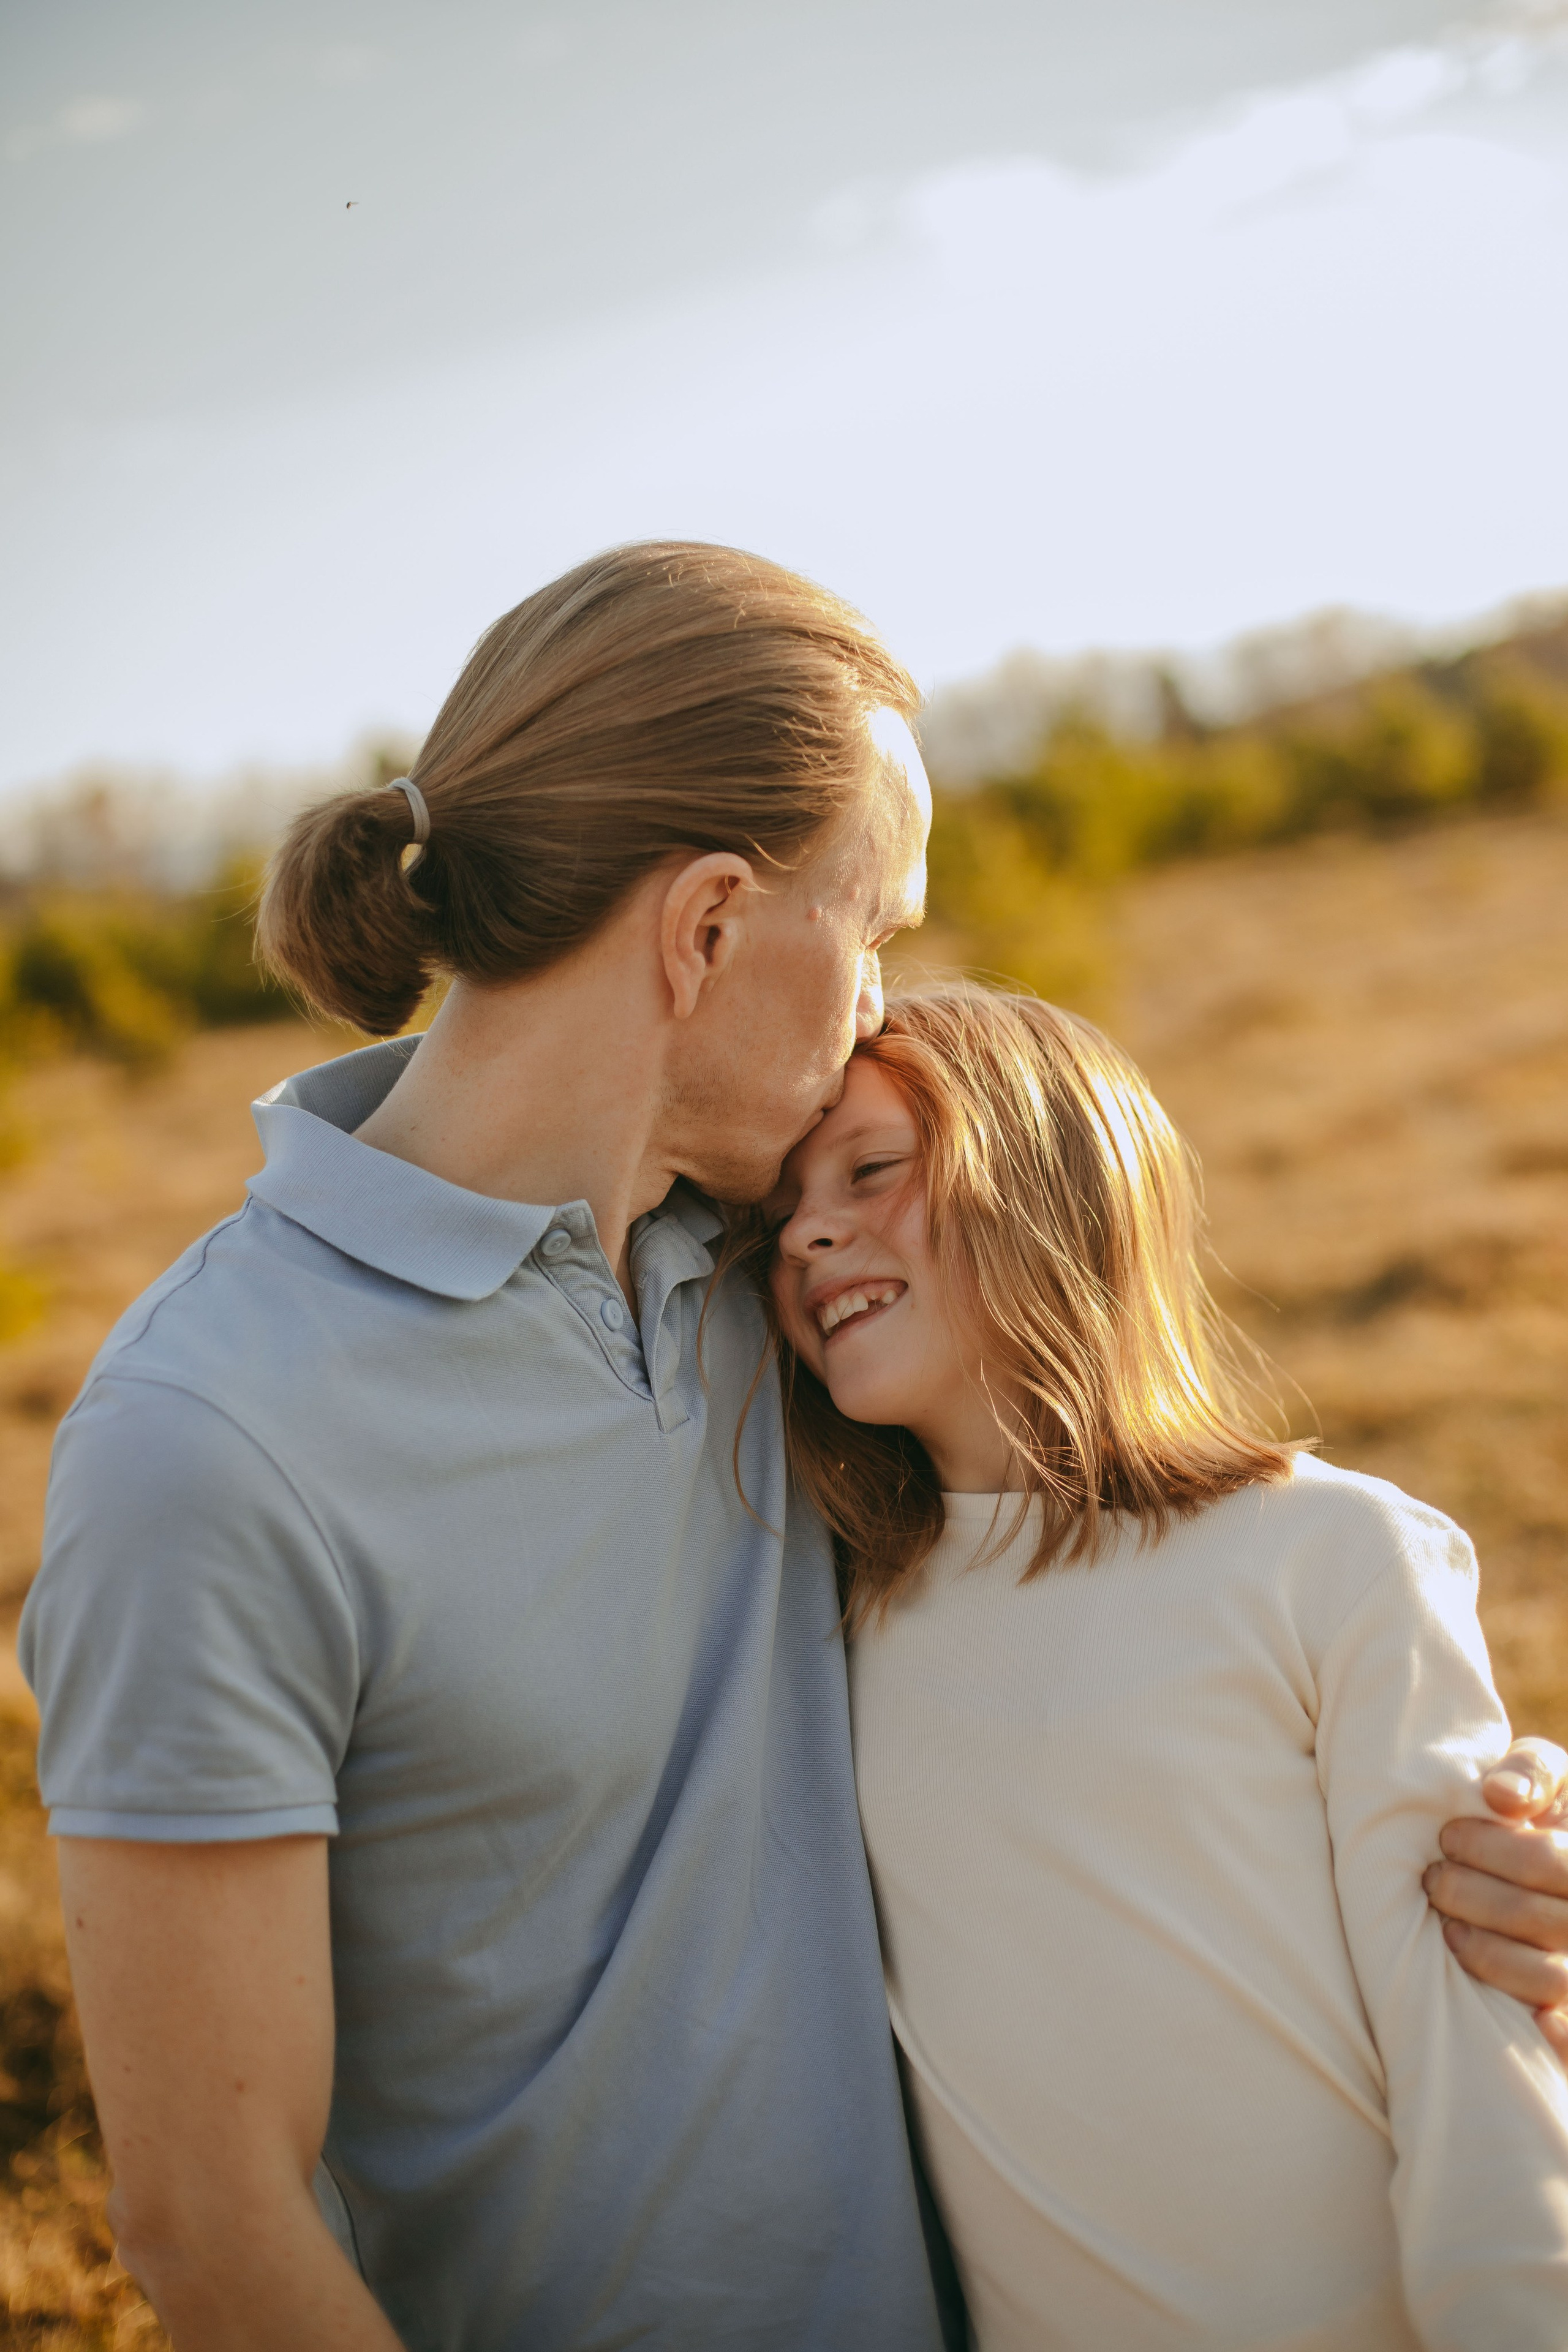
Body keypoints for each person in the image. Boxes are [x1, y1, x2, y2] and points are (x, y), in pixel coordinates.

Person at [16, 544, 1568, 2351]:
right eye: (880, 927)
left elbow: (1124, 1627)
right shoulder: (207, 1444)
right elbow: (210, 2223)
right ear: (710, 928)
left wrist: (1456, 1836)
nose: (876, 1005)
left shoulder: (778, 1304)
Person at [763, 981, 1568, 2350]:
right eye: (776, 1213)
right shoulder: (821, 1631)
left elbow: (1469, 2061)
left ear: (1052, 1178)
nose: (806, 1232)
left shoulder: (1329, 1557)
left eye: (871, 1168)